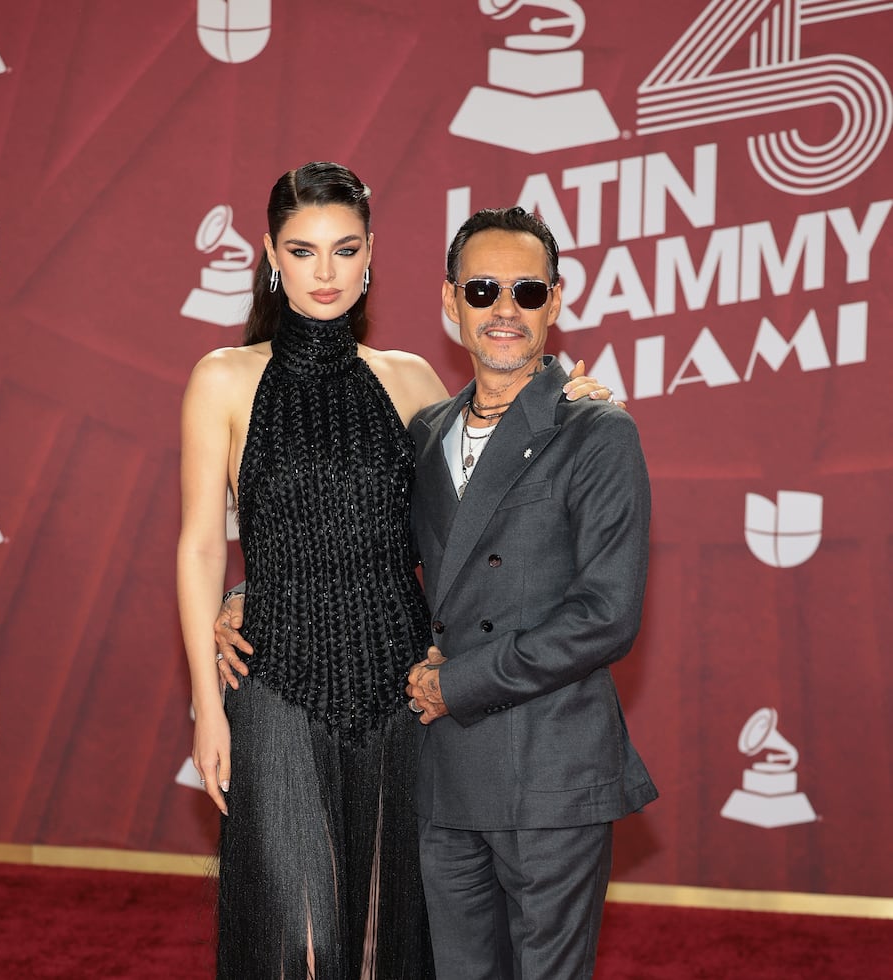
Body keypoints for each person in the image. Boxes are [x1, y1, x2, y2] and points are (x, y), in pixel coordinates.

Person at [181, 163, 615, 978]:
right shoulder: (223, 378)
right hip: (275, 688)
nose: (324, 272)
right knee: (296, 937)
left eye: (344, 250)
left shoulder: (413, 380)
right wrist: (208, 703)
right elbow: (202, 544)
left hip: (401, 690)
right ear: (272, 255)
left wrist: (566, 402)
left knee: (389, 938)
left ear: (372, 254)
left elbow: (478, 508)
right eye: (303, 251)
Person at [403, 206, 657, 979]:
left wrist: (459, 684)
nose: (504, 308)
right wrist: (250, 598)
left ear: (556, 299)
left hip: (551, 773)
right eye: (482, 290)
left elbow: (606, 615)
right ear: (451, 303)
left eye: (526, 289)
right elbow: (367, 564)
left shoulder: (597, 432)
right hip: (446, 779)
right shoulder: (423, 433)